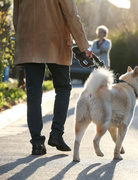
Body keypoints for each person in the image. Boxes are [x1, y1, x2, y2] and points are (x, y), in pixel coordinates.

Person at [13, 0, 92, 155]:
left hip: (29, 42)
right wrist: (84, 45)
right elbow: (71, 14)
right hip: (56, 42)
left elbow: (16, 15)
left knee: (33, 94)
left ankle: (36, 143)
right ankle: (56, 134)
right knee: (63, 87)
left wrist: (20, 39)